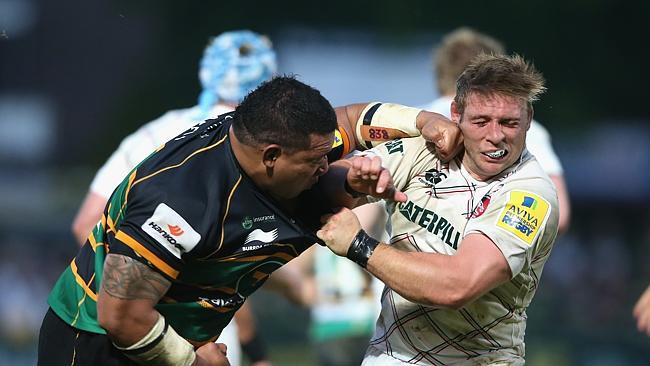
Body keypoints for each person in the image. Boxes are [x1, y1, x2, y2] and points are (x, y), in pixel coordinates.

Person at [38, 75, 458, 366]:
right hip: (95, 343)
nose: (326, 163)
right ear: (272, 156)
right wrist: (192, 361)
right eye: (315, 162)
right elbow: (121, 315)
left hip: (179, 337)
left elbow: (350, 121)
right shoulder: (180, 202)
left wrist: (423, 121)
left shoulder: (279, 142)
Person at [317, 54, 560, 365]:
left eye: (509, 123)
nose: (496, 136)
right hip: (393, 355)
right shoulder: (425, 149)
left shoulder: (531, 194)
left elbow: (457, 286)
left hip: (480, 360)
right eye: (481, 121)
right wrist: (351, 181)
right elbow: (321, 186)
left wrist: (359, 245)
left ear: (529, 118)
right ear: (455, 114)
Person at [69, 30, 277, 366]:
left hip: (134, 330)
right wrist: (258, 352)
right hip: (209, 337)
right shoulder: (264, 153)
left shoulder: (151, 133)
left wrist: (135, 295)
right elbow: (234, 261)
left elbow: (86, 224)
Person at [421, 27, 571, 234]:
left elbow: (374, 201)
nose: (495, 134)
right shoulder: (523, 125)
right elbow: (559, 212)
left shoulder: (419, 118)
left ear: (440, 75)